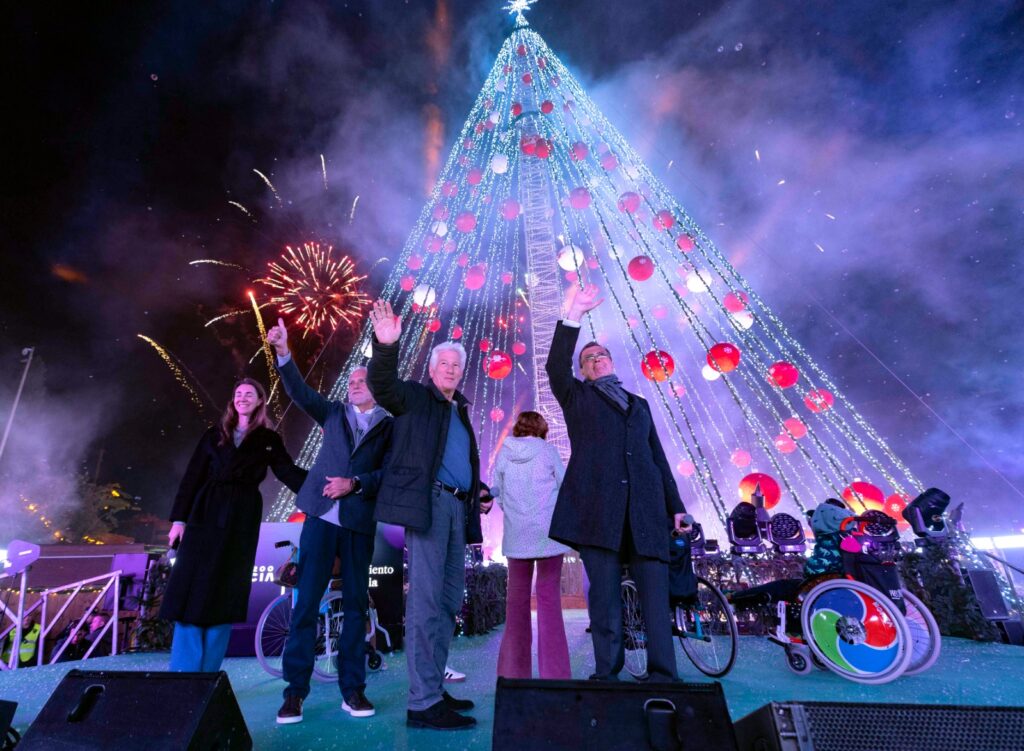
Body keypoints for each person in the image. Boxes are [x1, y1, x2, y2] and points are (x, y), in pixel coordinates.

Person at [545, 284, 689, 682]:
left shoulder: (638, 404)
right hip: (598, 512)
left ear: (610, 362)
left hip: (645, 512)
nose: (597, 360)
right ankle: (607, 673)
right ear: (583, 370)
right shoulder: (576, 397)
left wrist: (675, 507)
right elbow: (555, 366)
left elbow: (657, 458)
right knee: (605, 599)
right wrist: (571, 313)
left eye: (601, 355)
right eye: (588, 359)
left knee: (655, 601)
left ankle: (664, 674)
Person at [367, 299, 491, 731]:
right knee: (424, 603)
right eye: (445, 363)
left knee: (447, 601)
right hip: (431, 506)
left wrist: (481, 490)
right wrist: (386, 347)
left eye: (458, 364)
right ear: (432, 369)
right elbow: (383, 386)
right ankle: (421, 702)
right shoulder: (417, 398)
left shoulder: (459, 410)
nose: (452, 369)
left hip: (460, 507)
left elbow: (455, 459)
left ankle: (434, 688)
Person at [266, 318, 394, 724]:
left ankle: (352, 690)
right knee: (305, 605)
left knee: (356, 608)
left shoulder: (390, 427)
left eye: (361, 380)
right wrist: (283, 353)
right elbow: (299, 392)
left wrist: (354, 483)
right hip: (320, 521)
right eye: (352, 380)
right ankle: (294, 693)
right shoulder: (334, 413)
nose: (354, 384)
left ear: (376, 386)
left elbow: (388, 475)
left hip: (358, 526)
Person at [160, 378, 307, 673]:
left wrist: (321, 484)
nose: (242, 398)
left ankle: (209, 673)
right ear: (233, 401)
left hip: (241, 517)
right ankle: (183, 671)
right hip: (205, 513)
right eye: (238, 393)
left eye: (248, 394)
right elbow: (192, 478)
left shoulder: (268, 439)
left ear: (259, 401)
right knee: (192, 587)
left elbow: (288, 472)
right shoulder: (213, 435)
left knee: (225, 589)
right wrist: (179, 520)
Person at [491, 410, 572, 680]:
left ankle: (513, 675)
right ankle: (555, 675)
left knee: (515, 605)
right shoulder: (548, 452)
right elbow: (565, 486)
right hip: (548, 536)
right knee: (550, 602)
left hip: (516, 537)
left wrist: (515, 514)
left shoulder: (504, 453)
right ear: (541, 429)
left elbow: (497, 493)